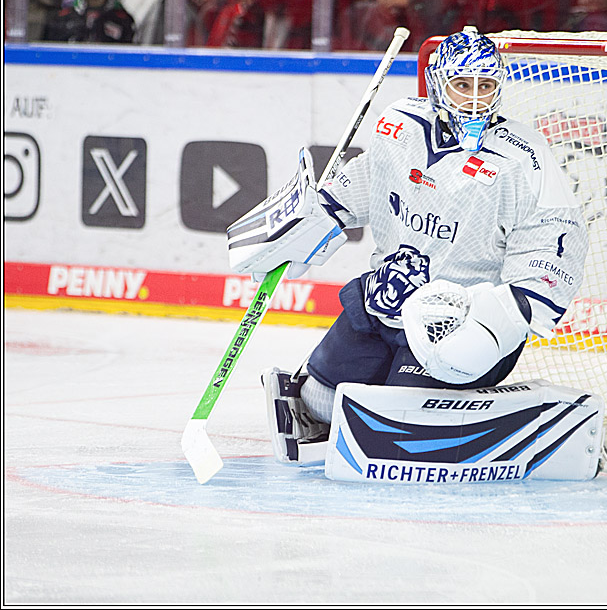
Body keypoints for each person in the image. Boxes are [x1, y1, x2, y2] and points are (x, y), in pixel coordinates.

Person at [226, 28, 588, 461]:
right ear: (438, 84)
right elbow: (362, 184)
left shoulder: (522, 158)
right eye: (462, 86)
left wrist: (502, 320)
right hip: (383, 298)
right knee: (319, 402)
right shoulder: (401, 126)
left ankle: (523, 415)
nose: (474, 100)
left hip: (456, 325)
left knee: (397, 425)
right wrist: (307, 222)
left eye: (486, 86)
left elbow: (553, 239)